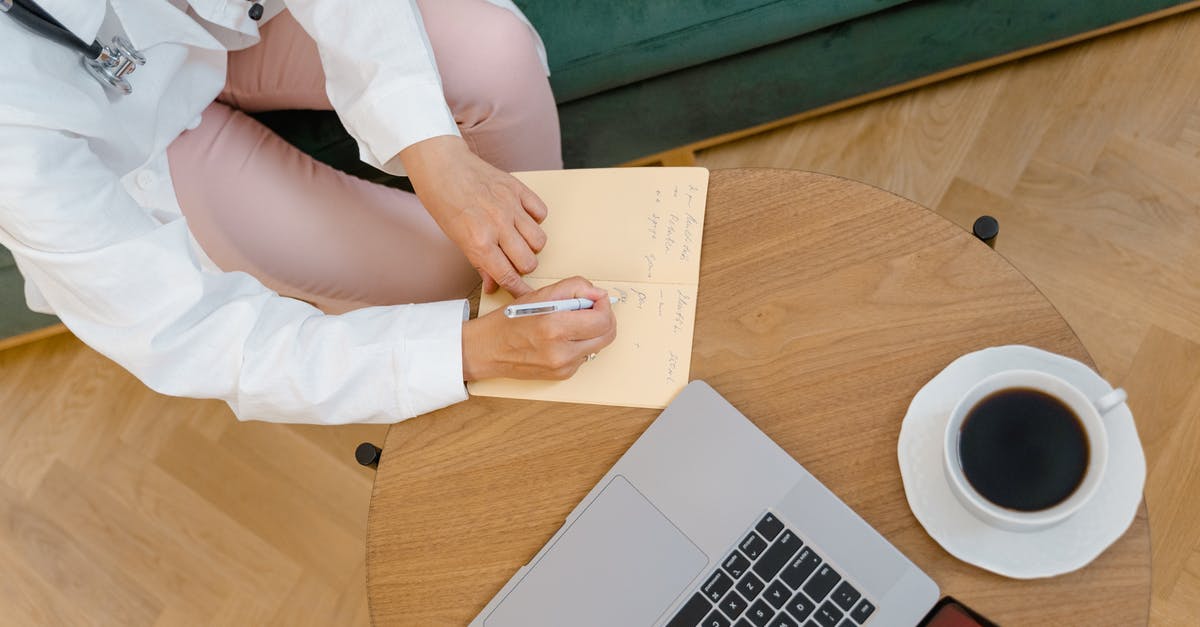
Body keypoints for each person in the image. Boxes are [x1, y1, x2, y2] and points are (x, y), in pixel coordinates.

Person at [0, 0, 617, 424]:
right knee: (444, 278)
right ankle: (553, 331)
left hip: (234, 16)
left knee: (494, 58)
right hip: (138, 150)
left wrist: (433, 151)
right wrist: (466, 353)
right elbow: (195, 337)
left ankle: (585, 277)